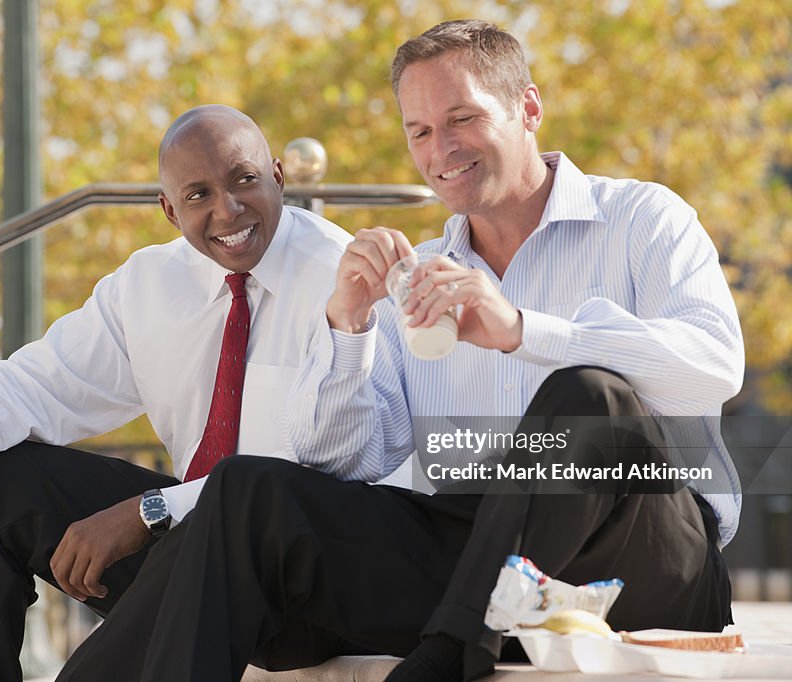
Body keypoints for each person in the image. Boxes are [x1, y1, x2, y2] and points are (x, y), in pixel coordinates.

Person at [44, 20, 744, 682]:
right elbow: (344, 462)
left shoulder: (643, 219)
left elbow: (715, 367)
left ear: (528, 108)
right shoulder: (422, 277)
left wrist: (526, 330)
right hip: (473, 554)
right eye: (421, 131)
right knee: (247, 489)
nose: (442, 149)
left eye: (462, 119)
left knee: (589, 396)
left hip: (641, 558)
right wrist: (347, 326)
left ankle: (449, 654)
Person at [0, 104, 368, 681]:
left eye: (245, 180)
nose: (227, 209)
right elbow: (37, 383)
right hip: (194, 543)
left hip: (308, 578)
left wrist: (150, 512)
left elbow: (318, 474)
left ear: (279, 177)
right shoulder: (151, 285)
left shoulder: (343, 281)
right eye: (197, 195)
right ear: (168, 209)